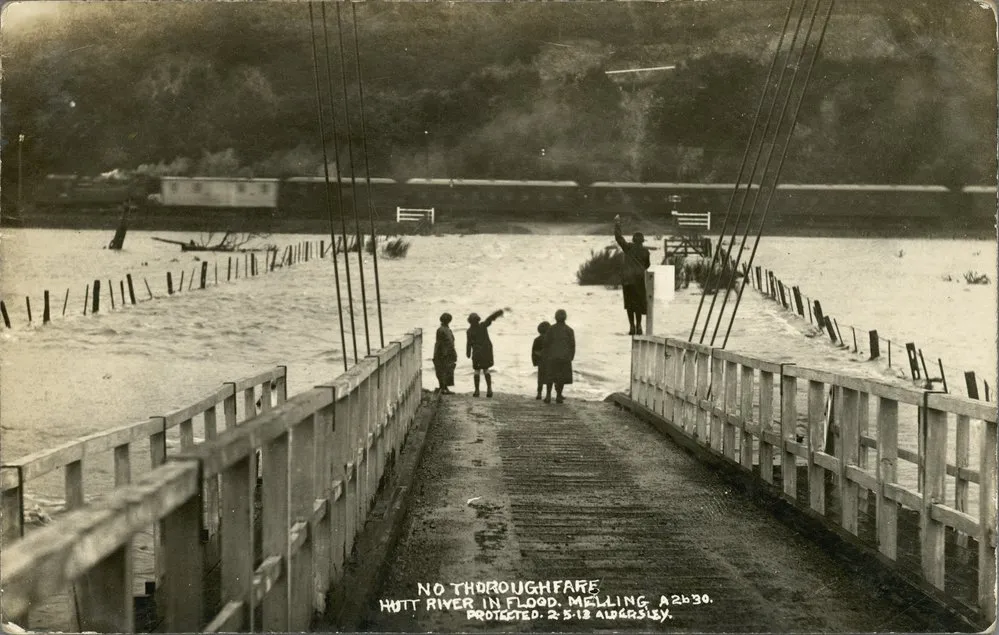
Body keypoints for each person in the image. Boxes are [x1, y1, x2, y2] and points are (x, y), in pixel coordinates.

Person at [614, 214, 651, 335]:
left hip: (628, 280)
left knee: (629, 304)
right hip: (639, 280)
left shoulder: (628, 248)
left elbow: (619, 238)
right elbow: (647, 265)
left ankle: (631, 327)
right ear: (642, 241)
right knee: (638, 304)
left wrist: (617, 224)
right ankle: (639, 326)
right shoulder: (646, 251)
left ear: (633, 240)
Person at [466, 309, 504, 397]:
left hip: (476, 352)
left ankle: (477, 391)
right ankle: (489, 389)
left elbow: (468, 343)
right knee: (486, 370)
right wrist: (497, 313)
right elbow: (490, 319)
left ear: (470, 321)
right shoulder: (483, 326)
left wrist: (468, 353)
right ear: (478, 320)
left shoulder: (469, 331)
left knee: (476, 371)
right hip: (485, 351)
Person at [542, 309, 575, 404]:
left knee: (550, 376)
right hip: (564, 357)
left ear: (555, 318)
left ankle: (548, 396)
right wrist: (571, 357)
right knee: (561, 377)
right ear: (565, 318)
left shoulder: (551, 329)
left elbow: (546, 344)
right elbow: (572, 345)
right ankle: (558, 396)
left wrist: (545, 356)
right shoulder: (569, 330)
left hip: (552, 357)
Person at [433, 312, 457, 394]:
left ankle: (444, 388)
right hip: (443, 353)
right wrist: (441, 353)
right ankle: (443, 388)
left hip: (447, 353)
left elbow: (451, 342)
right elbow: (439, 343)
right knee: (443, 370)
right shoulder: (442, 330)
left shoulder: (446, 329)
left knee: (446, 370)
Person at [532, 321, 551, 400]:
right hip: (550, 361)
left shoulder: (537, 339)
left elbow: (534, 351)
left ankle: (539, 393)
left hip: (541, 361)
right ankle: (548, 395)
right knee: (549, 379)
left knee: (540, 379)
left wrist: (535, 362)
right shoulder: (551, 340)